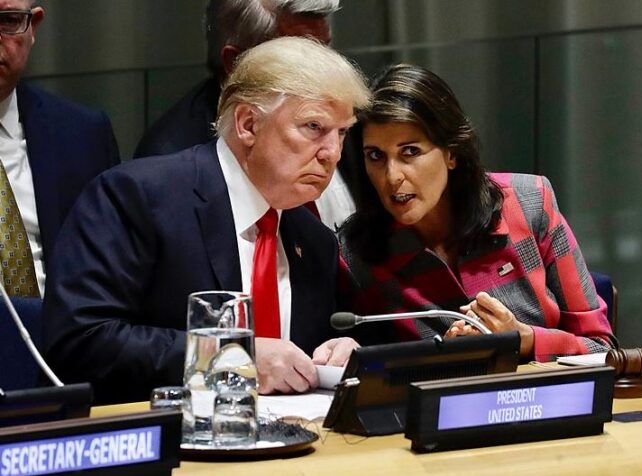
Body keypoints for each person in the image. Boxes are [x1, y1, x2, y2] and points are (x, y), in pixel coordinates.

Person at [42, 37, 370, 404]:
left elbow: (290, 362)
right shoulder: (138, 197)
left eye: (341, 133)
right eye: (313, 127)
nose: (333, 153)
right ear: (248, 124)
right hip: (164, 444)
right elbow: (81, 340)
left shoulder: (313, 240)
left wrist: (336, 353)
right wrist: (230, 357)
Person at [338, 64, 617, 362]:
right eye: (376, 156)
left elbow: (602, 348)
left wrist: (523, 339)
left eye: (410, 152)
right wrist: (441, 360)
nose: (391, 176)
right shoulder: (355, 252)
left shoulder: (529, 202)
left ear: (451, 153)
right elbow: (367, 371)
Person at [135, 0, 356, 230]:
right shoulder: (169, 163)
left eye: (326, 51)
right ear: (236, 63)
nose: (326, 74)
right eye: (303, 59)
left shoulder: (344, 116)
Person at [0, 0, 119, 297]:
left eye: (8, 20)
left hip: (66, 336)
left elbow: (116, 277)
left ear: (33, 26)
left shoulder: (83, 134)